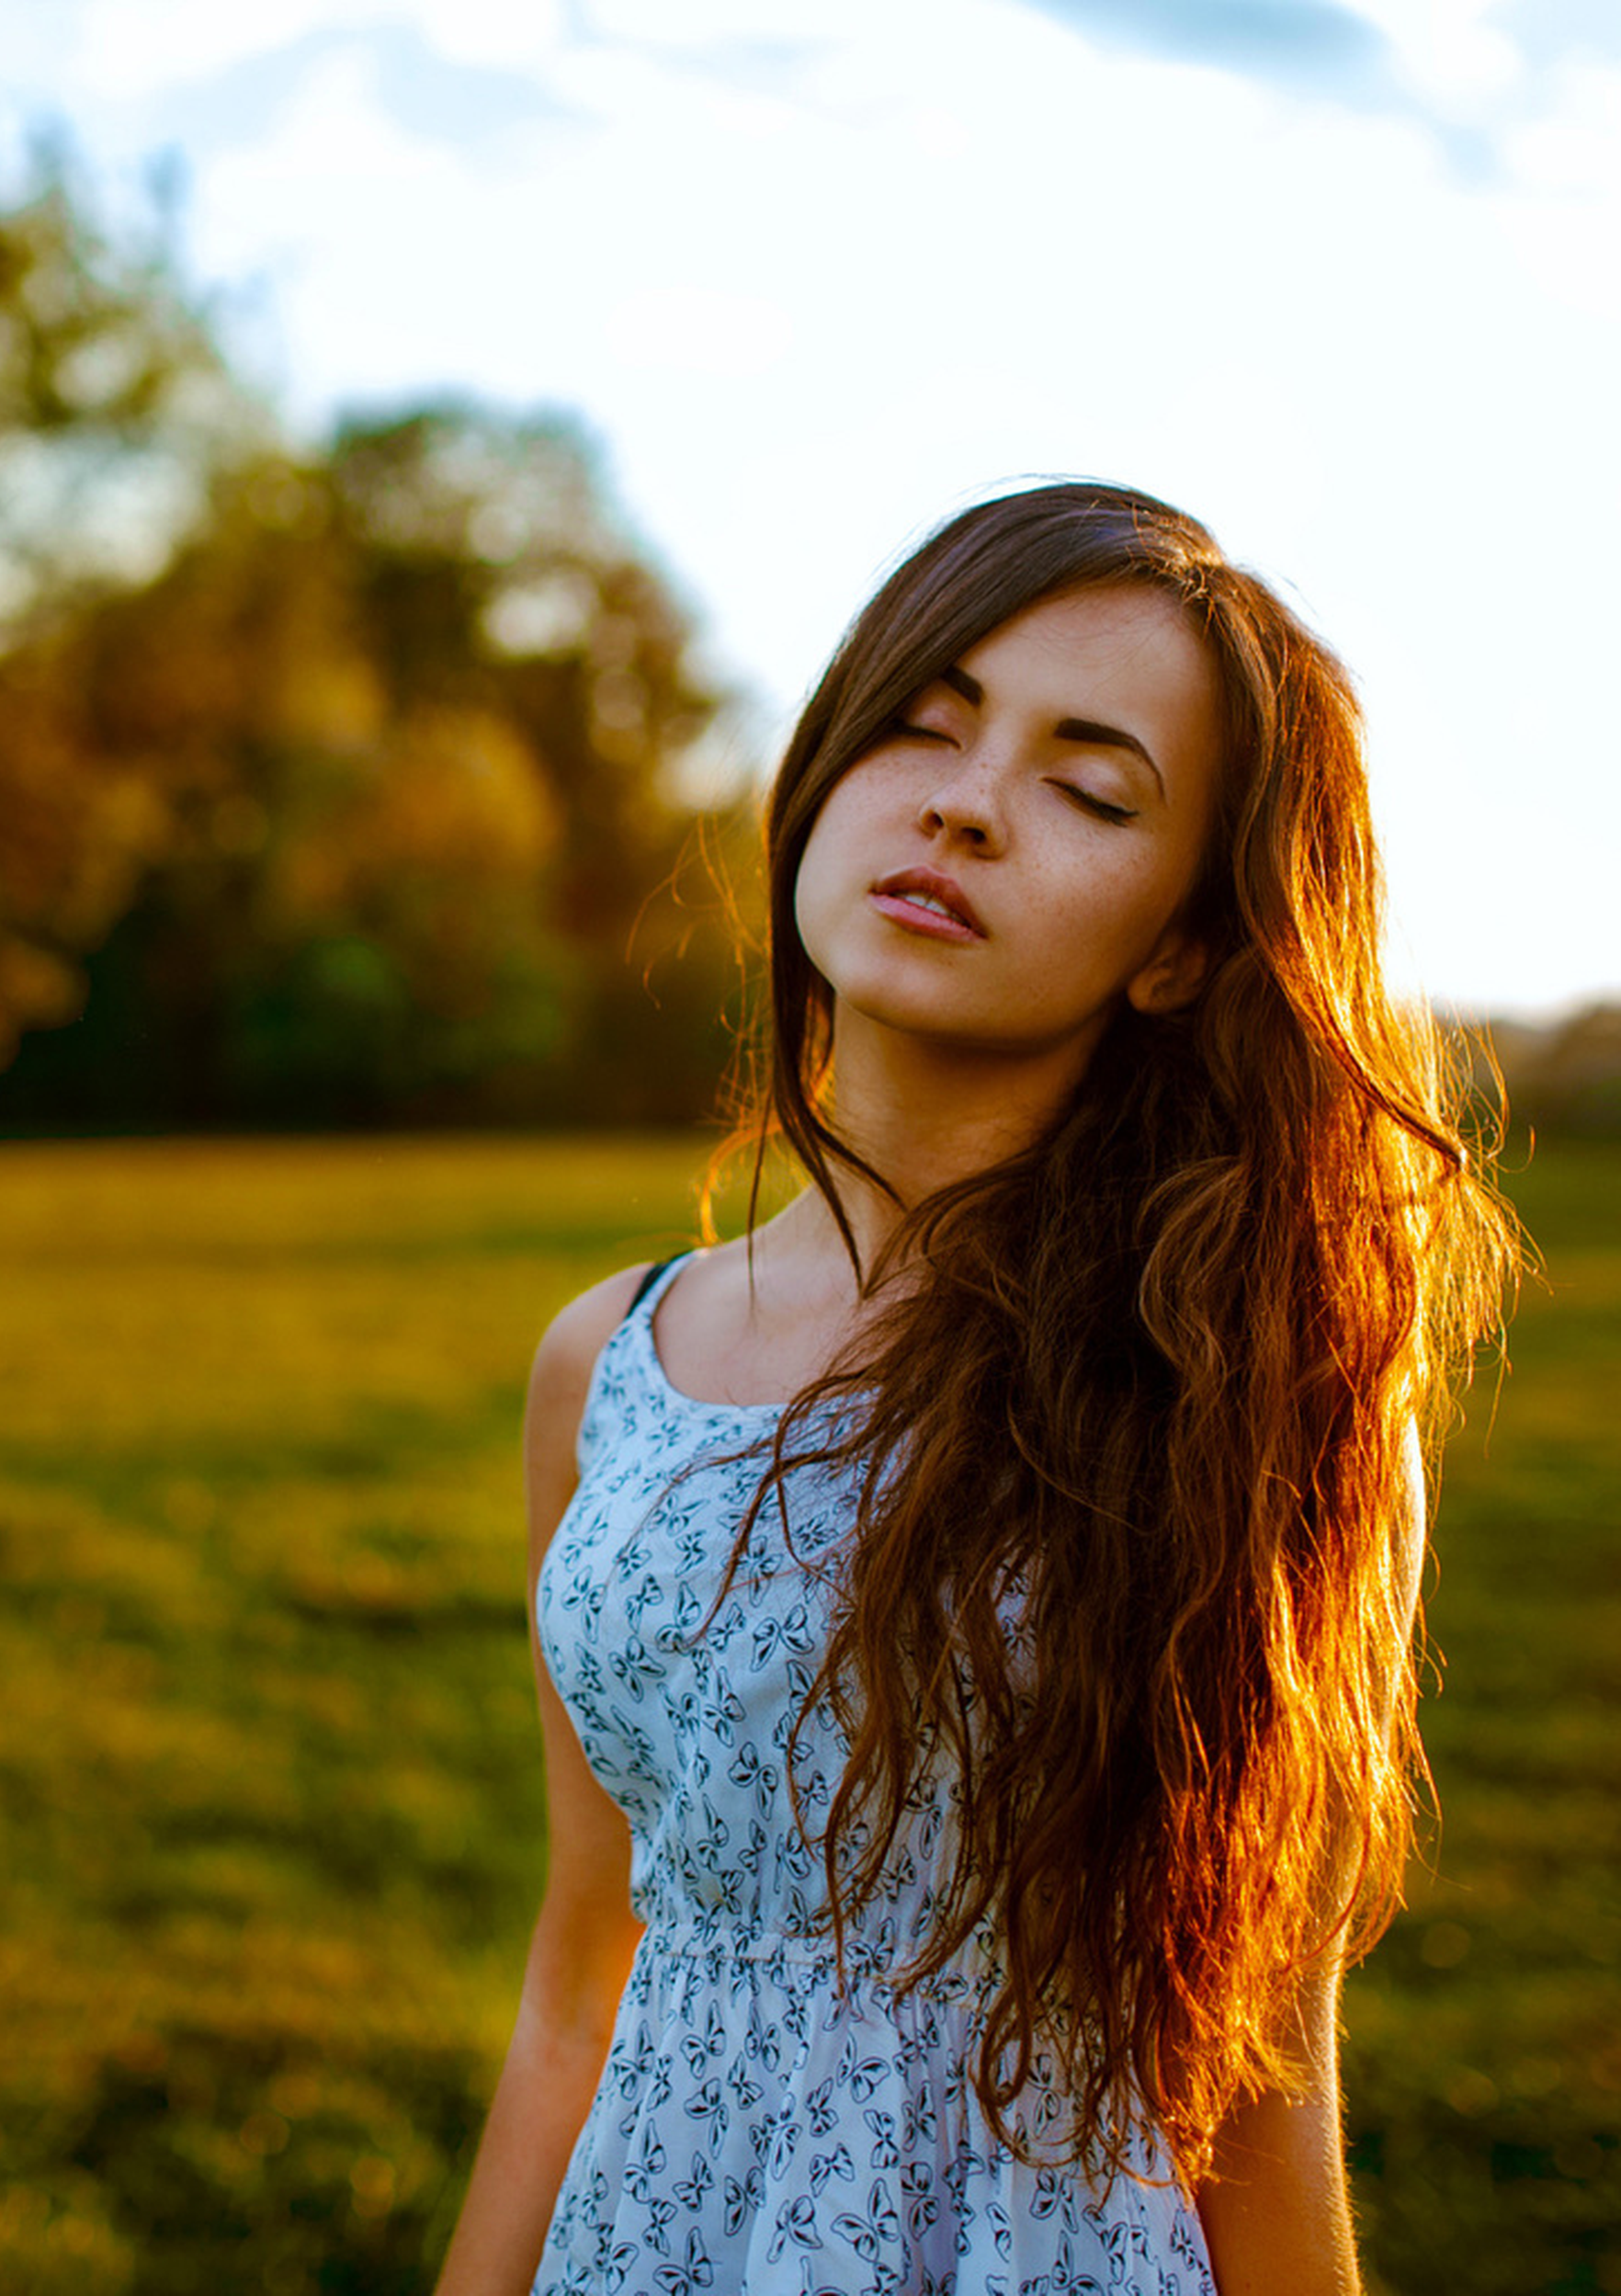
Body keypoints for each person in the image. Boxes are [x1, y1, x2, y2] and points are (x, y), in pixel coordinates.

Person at [433, 481, 1515, 2295]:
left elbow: (1262, 2060)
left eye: (1089, 789)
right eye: (922, 727)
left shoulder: (1255, 1391)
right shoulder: (603, 1368)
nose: (961, 801)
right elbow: (579, 1971)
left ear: (1177, 943)